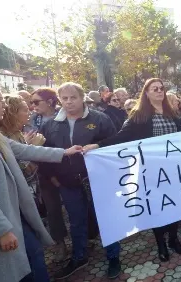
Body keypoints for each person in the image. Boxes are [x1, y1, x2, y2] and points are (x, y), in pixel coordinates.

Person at [83, 78, 181, 263]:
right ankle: (161, 244)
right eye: (154, 88)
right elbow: (122, 137)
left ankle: (173, 238)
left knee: (175, 204)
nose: (159, 91)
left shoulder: (171, 112)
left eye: (161, 88)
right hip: (151, 171)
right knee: (157, 207)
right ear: (146, 93)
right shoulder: (139, 115)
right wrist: (98, 145)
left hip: (173, 169)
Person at [0, 84, 83, 282]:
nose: (3, 104)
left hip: (14, 213)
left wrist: (64, 152)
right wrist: (1, 229)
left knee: (34, 257)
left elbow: (26, 151)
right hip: (4, 221)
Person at [40, 82, 122, 280]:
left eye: (73, 97)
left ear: (82, 97)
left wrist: (98, 147)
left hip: (97, 180)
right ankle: (79, 257)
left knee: (106, 218)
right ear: (59, 100)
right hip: (67, 183)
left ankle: (113, 256)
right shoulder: (50, 124)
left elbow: (115, 144)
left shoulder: (100, 119)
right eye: (64, 98)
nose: (69, 102)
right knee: (76, 222)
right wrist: (53, 178)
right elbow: (45, 152)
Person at [28, 88, 68, 260]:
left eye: (36, 102)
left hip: (66, 170)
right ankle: (61, 244)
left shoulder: (65, 116)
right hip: (44, 173)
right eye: (31, 103)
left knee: (76, 205)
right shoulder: (31, 121)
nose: (33, 106)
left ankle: (86, 236)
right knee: (53, 211)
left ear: (50, 101)